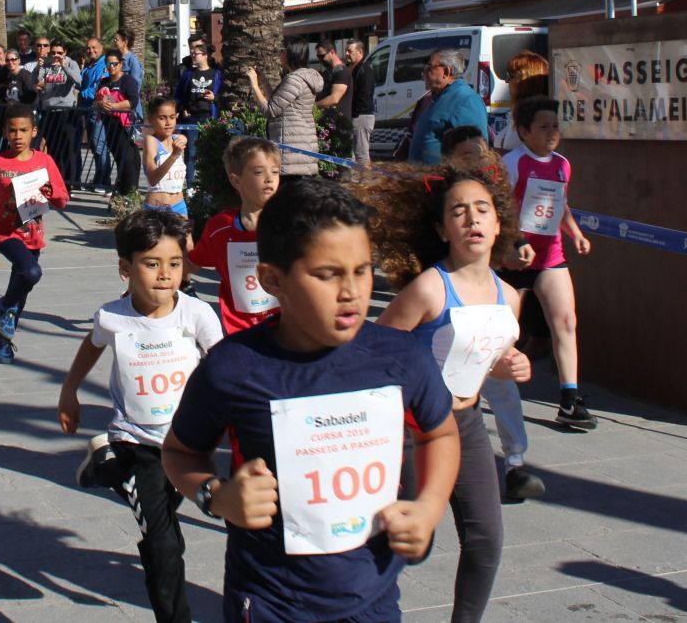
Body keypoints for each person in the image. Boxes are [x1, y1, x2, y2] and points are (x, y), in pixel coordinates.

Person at [160, 179, 462, 622]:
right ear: (272, 279)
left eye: (362, 270)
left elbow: (442, 433)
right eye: (327, 274)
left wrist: (429, 509)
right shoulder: (234, 367)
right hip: (270, 600)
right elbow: (178, 451)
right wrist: (217, 496)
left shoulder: (401, 357)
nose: (352, 291)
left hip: (374, 598)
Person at [366, 165, 533, 623]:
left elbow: (490, 357)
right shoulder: (428, 289)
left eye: (482, 209)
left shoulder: (510, 297)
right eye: (458, 212)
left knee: (487, 540)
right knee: (407, 544)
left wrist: (510, 363)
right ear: (442, 229)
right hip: (410, 429)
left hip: (466, 425)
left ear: (498, 223)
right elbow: (374, 350)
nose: (472, 219)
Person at [57, 209, 221, 623]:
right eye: (151, 264)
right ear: (125, 268)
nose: (165, 275)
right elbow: (92, 345)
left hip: (186, 444)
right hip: (138, 440)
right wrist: (69, 390)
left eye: (174, 263)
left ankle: (107, 471)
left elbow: (224, 364)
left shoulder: (196, 315)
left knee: (167, 531)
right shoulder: (112, 317)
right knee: (162, 541)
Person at [439, 125, 546, 502]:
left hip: (488, 299)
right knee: (444, 392)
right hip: (447, 308)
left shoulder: (494, 194)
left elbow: (505, 222)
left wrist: (517, 243)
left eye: (481, 152)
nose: (478, 160)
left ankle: (516, 463)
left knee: (503, 384)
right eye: (468, 154)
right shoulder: (435, 199)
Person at [501, 95, 595, 431]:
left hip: (550, 255)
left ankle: (569, 400)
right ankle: (493, 391)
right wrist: (515, 241)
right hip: (514, 257)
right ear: (524, 132)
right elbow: (501, 208)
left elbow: (561, 205)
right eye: (544, 127)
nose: (552, 133)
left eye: (556, 126)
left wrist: (576, 234)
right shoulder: (513, 163)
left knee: (566, 322)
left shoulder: (562, 164)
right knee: (505, 333)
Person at [0, 103, 69, 365]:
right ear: (4, 132)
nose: (18, 136)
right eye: (12, 131)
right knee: (31, 273)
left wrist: (50, 192)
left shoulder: (44, 162)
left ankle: (4, 340)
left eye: (23, 130)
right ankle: (4, 306)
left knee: (22, 287)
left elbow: (62, 199)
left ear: (33, 131)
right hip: (4, 233)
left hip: (33, 234)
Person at [188, 137, 283, 335]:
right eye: (258, 172)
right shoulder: (219, 227)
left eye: (275, 172)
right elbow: (192, 263)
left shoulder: (290, 223)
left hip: (286, 329)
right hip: (239, 331)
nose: (269, 178)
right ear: (236, 180)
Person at [246, 37, 323, 181]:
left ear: (291, 53)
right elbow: (278, 102)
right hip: (298, 142)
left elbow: (271, 110)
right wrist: (264, 82)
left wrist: (254, 85)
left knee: (289, 196)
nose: (279, 54)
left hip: (291, 147)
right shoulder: (300, 77)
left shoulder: (294, 80)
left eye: (282, 50)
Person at [406, 48, 489, 165]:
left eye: (430, 67)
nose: (424, 71)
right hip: (424, 178)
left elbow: (475, 151)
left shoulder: (467, 101)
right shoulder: (440, 97)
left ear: (446, 72)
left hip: (443, 180)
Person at [35, 40, 81, 185]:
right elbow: (35, 81)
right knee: (53, 149)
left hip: (66, 110)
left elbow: (78, 80)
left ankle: (69, 182)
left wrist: (63, 66)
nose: (56, 55)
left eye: (60, 53)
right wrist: (39, 66)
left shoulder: (71, 63)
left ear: (65, 53)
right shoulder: (47, 64)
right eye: (53, 53)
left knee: (67, 148)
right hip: (50, 111)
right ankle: (56, 181)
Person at [96, 49, 140, 198]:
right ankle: (122, 192)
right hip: (109, 125)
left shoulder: (128, 81)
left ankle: (128, 192)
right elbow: (96, 101)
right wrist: (101, 105)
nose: (112, 66)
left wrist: (114, 106)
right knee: (120, 158)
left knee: (128, 159)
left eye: (115, 63)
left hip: (125, 127)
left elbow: (132, 101)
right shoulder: (104, 81)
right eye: (109, 64)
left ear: (121, 64)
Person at [140, 97, 188, 216]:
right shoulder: (151, 141)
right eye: (162, 118)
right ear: (151, 120)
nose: (168, 123)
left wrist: (182, 141)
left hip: (179, 205)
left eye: (172, 117)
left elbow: (184, 138)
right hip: (157, 207)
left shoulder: (178, 140)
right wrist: (174, 155)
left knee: (187, 235)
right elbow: (152, 179)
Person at [495, 50, 550, 152]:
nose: (506, 81)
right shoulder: (518, 111)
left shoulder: (537, 118)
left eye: (509, 76)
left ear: (523, 81)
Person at [79, 37, 109, 193]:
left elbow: (97, 89)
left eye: (94, 47)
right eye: (88, 48)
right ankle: (99, 179)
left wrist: (79, 93)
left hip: (97, 111)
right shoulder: (90, 65)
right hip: (88, 111)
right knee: (94, 146)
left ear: (101, 48)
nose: (91, 50)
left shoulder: (103, 66)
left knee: (100, 147)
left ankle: (105, 182)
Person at [346, 40, 377, 166]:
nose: (347, 54)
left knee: (361, 155)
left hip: (361, 116)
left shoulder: (365, 70)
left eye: (350, 51)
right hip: (356, 116)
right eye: (346, 51)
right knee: (353, 155)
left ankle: (367, 184)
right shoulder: (352, 69)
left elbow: (363, 96)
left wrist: (353, 114)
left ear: (360, 52)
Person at [174, 42, 221, 122]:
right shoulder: (188, 74)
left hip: (209, 117)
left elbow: (223, 95)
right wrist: (182, 109)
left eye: (196, 54)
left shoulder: (216, 74)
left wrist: (214, 98)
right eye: (192, 53)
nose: (193, 56)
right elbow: (178, 95)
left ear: (205, 56)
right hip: (191, 117)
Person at [314, 42, 352, 121]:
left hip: (339, 123)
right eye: (318, 56)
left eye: (322, 56)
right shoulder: (328, 72)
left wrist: (314, 106)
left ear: (332, 52)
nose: (320, 59)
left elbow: (334, 99)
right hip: (327, 121)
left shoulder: (342, 72)